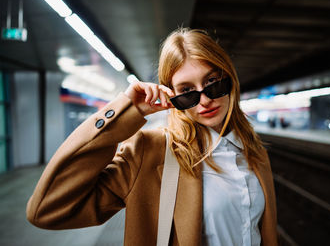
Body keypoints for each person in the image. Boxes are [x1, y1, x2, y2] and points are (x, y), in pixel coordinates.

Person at [26, 28, 278, 246]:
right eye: (187, 92)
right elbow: (47, 210)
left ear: (229, 78)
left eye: (213, 82)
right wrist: (123, 111)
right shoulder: (150, 152)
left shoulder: (254, 151)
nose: (205, 100)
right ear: (172, 96)